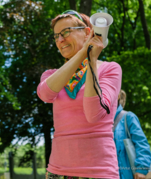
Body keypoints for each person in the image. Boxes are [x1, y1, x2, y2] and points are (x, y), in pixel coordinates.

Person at [37, 10, 122, 178]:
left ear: (87, 33)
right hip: (57, 172)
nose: (60, 40)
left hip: (99, 172)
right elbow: (45, 95)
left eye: (65, 32)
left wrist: (91, 60)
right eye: (56, 36)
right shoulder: (51, 75)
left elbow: (93, 113)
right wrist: (84, 52)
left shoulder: (110, 69)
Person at [113, 90, 151, 179]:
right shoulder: (101, 122)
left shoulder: (128, 117)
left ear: (118, 96)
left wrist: (141, 169)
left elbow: (141, 144)